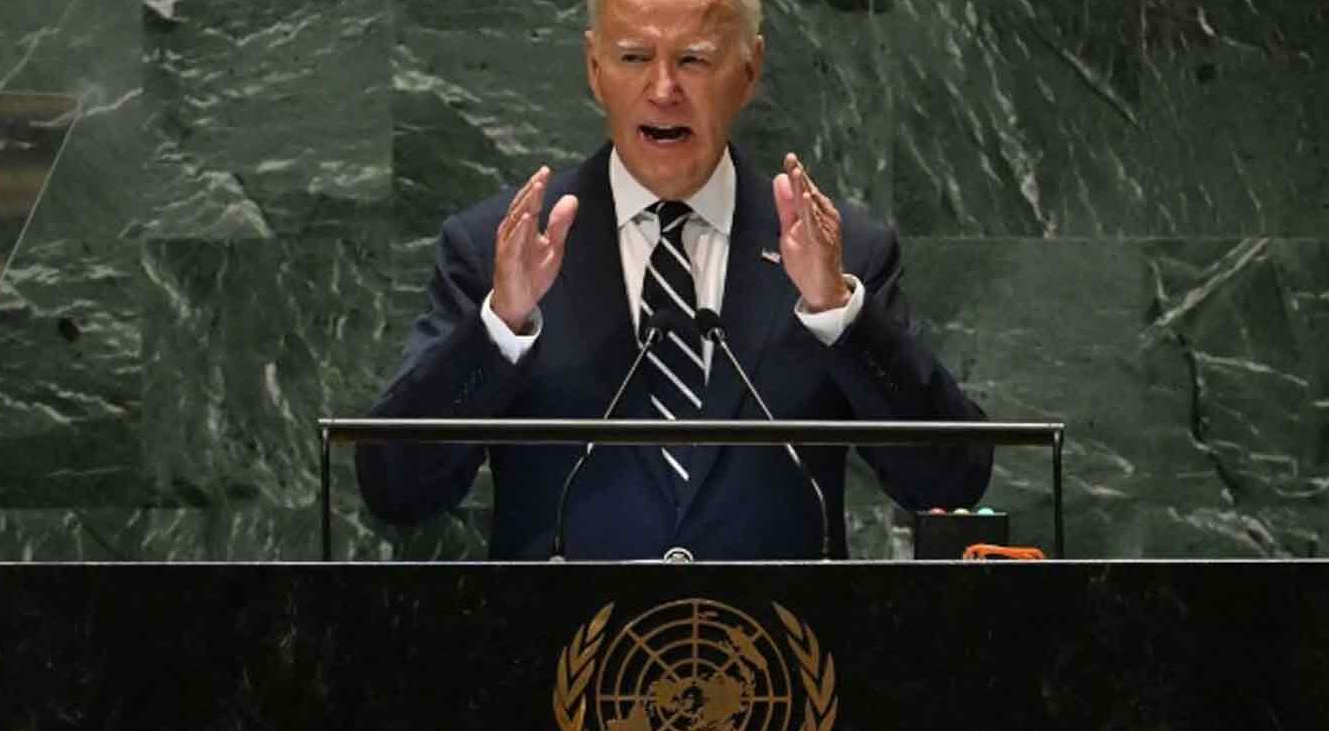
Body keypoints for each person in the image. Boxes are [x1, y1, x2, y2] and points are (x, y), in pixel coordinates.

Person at [356, 0, 991, 560]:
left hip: (780, 672)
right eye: (634, 56)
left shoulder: (844, 253)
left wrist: (838, 314)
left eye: (694, 59)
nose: (663, 88)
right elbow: (397, 488)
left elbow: (947, 482)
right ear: (594, 69)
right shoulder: (496, 248)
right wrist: (500, 329)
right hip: (555, 671)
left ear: (749, 70)